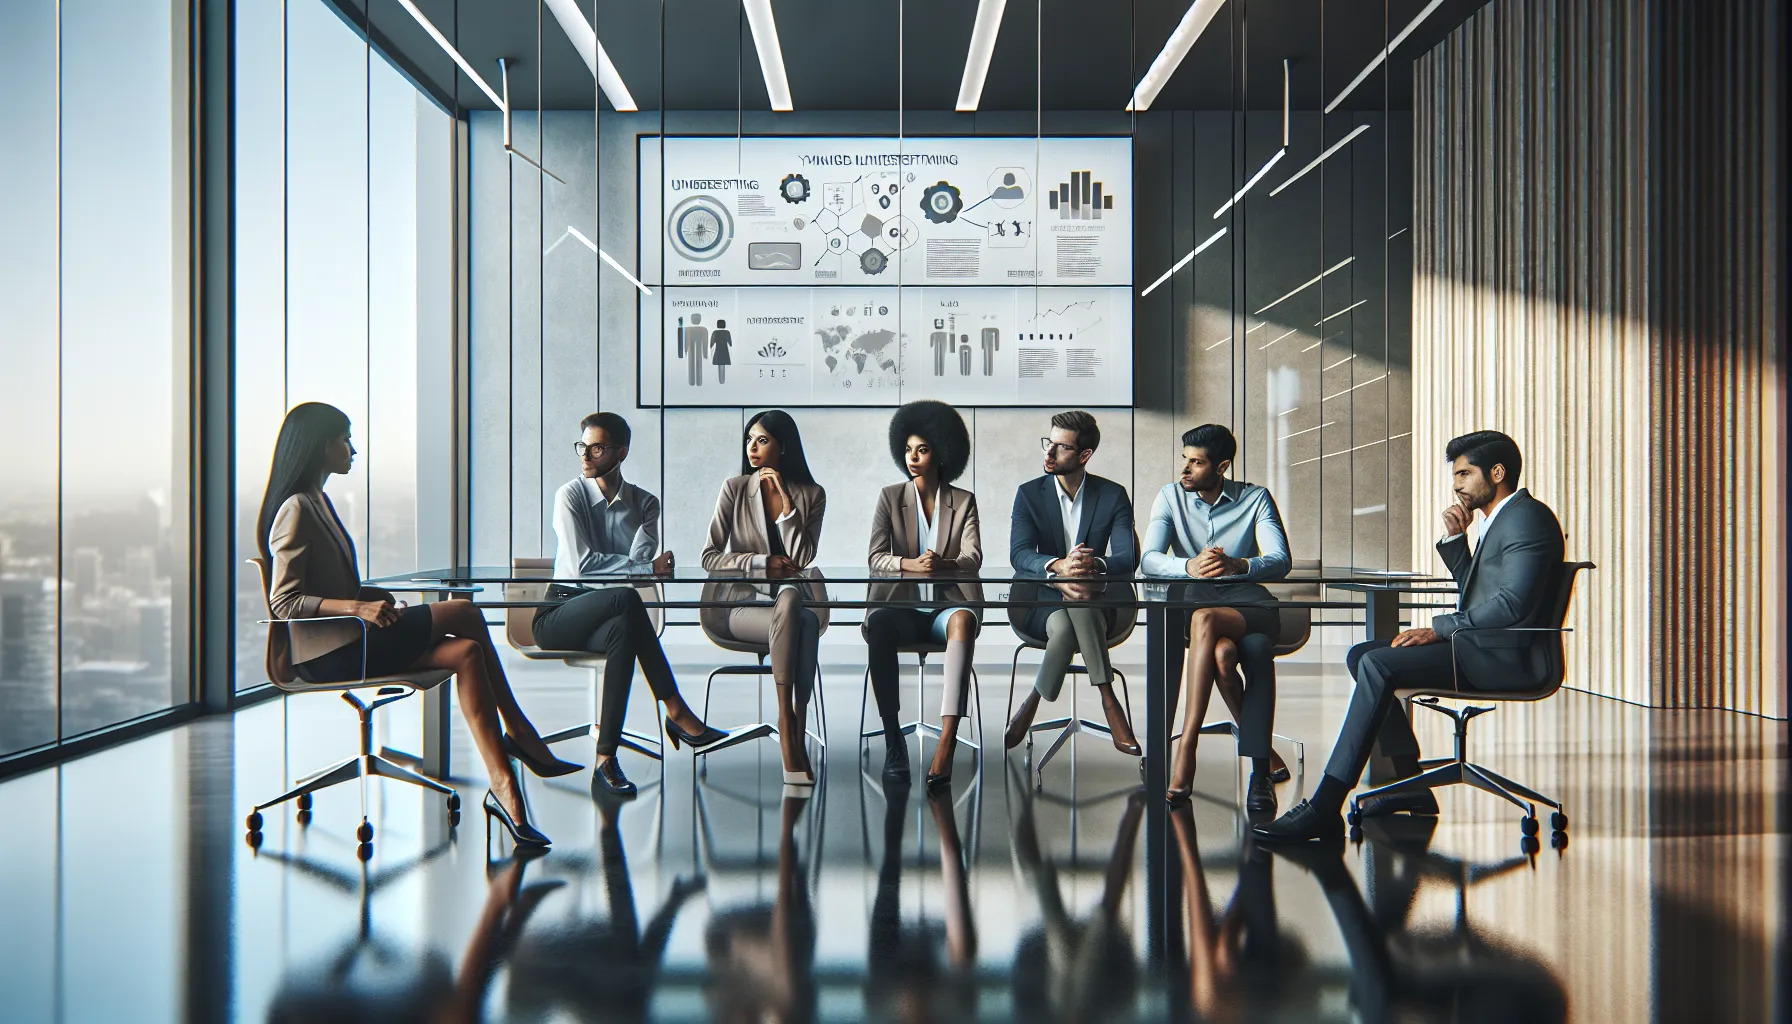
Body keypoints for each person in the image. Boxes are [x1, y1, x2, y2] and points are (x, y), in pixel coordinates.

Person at [259, 402, 569, 848]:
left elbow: (328, 582)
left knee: (467, 652)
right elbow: (283, 601)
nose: (353, 449)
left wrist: (370, 599)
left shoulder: (318, 501)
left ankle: (505, 790)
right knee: (463, 611)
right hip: (330, 656)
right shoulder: (296, 508)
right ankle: (520, 732)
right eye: (344, 439)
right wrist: (357, 608)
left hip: (355, 641)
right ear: (319, 446)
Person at [1255, 430, 1565, 843]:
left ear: (1497, 472)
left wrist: (1437, 629)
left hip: (1505, 658)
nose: (1456, 485)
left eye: (1465, 474)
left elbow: (1512, 606)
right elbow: (1480, 592)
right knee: (1362, 654)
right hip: (1481, 648)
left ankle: (1325, 805)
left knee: (1378, 662)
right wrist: (1458, 542)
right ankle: (1412, 784)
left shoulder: (1527, 518)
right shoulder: (1500, 518)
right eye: (1455, 475)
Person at [530, 412, 727, 797]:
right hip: (559, 613)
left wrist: (641, 569)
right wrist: (641, 569)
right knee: (626, 598)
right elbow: (586, 567)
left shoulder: (645, 504)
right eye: (582, 446)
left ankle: (605, 761)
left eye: (596, 447)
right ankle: (676, 710)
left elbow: (638, 570)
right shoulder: (569, 496)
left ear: (621, 452)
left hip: (611, 616)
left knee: (625, 622)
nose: (585, 455)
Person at [1141, 424, 1292, 813]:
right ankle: (1262, 767)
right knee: (1226, 655)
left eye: (1197, 462)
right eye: (1184, 461)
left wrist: (1238, 563)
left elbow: (1280, 560)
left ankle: (1186, 744)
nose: (1185, 471)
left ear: (1222, 466)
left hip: (1250, 605)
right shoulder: (1170, 497)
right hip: (1199, 600)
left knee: (1212, 623)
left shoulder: (1255, 498)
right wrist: (1188, 565)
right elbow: (1150, 560)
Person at [1003, 410, 1141, 755]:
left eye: (1060, 448)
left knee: (1075, 609)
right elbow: (1020, 554)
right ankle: (1109, 700)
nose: (1048, 453)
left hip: (1099, 599)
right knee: (1072, 610)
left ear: (1084, 456)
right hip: (1042, 602)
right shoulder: (1029, 494)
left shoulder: (1112, 495)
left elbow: (1127, 558)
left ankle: (1032, 701)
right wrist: (1059, 567)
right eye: (1047, 443)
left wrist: (1092, 564)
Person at [701, 409, 828, 785]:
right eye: (749, 440)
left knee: (795, 606)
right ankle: (788, 721)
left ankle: (794, 721)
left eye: (763, 440)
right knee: (796, 608)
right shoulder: (735, 488)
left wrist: (786, 504)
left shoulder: (812, 495)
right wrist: (760, 563)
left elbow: (804, 557)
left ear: (784, 446)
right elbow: (709, 557)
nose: (752, 448)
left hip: (792, 605)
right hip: (740, 606)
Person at [865, 400, 982, 789]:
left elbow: (973, 558)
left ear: (943, 452)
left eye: (923, 449)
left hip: (945, 610)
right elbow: (875, 557)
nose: (913, 458)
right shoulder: (889, 496)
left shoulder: (962, 500)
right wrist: (909, 565)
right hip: (900, 608)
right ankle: (893, 739)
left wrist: (942, 565)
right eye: (908, 449)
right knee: (878, 623)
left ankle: (946, 743)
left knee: (964, 619)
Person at [710, 319, 734, 383]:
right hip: (725, 350)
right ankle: (722, 381)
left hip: (717, 351)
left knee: (719, 364)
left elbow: (711, 344)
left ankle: (720, 381)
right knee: (723, 365)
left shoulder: (715, 332)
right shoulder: (727, 332)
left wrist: (711, 353)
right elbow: (730, 344)